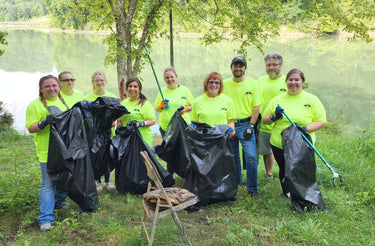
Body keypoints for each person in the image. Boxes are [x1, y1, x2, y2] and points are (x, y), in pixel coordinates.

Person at [262, 68, 326, 198]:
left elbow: (321, 121)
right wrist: (274, 116)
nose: (293, 83)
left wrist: (305, 129)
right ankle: (287, 192)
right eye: (290, 80)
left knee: (301, 169)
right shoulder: (277, 100)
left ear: (302, 81)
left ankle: (303, 191)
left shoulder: (312, 99)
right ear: (286, 82)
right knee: (284, 168)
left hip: (303, 142)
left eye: (297, 80)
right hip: (279, 143)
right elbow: (264, 119)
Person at [26, 75, 70, 231]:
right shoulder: (35, 105)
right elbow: (31, 128)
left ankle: (59, 203)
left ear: (59, 86)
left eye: (54, 86)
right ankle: (45, 218)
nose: (52, 89)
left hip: (64, 150)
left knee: (64, 179)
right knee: (48, 183)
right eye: (47, 87)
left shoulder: (63, 102)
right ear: (41, 89)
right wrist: (43, 123)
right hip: (47, 152)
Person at [223, 56, 261, 199]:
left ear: (245, 68)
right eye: (235, 65)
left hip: (246, 124)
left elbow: (256, 106)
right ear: (231, 67)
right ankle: (236, 181)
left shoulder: (253, 84)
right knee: (232, 156)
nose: (238, 68)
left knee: (250, 156)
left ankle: (252, 188)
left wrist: (251, 125)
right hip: (229, 123)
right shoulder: (224, 84)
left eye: (241, 66)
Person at [85, 71, 117, 191]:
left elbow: (116, 114)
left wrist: (114, 123)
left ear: (106, 81)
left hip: (108, 132)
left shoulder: (112, 96)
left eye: (102, 80)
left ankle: (108, 182)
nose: (100, 82)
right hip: (94, 133)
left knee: (107, 156)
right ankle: (97, 182)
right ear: (93, 82)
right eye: (97, 80)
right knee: (96, 156)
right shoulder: (87, 98)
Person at [257, 54, 287, 178]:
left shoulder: (287, 80)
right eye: (269, 65)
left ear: (280, 65)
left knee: (284, 151)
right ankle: (269, 173)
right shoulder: (260, 81)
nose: (271, 68)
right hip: (265, 121)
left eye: (275, 65)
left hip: (282, 124)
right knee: (266, 151)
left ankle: (286, 172)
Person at [154, 67, 194, 138]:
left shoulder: (184, 90)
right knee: (169, 148)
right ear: (164, 79)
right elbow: (156, 108)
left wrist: (186, 108)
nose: (170, 79)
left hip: (183, 126)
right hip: (166, 127)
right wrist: (160, 106)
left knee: (182, 148)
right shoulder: (161, 92)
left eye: (172, 77)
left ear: (176, 77)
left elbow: (193, 106)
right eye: (167, 78)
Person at [118, 78, 156, 147]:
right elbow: (120, 119)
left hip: (143, 139)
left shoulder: (145, 104)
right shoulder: (123, 103)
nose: (132, 89)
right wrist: (118, 128)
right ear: (127, 88)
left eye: (135, 86)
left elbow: (152, 121)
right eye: (130, 86)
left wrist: (140, 123)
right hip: (127, 139)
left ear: (139, 89)